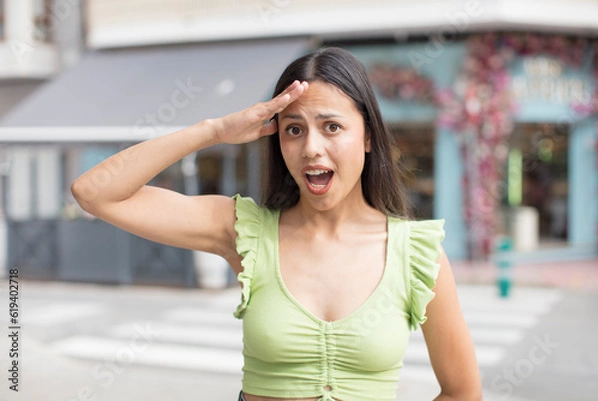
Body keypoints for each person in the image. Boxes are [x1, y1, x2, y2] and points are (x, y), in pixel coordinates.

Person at [72, 47, 482, 401]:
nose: (311, 149)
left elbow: (463, 391)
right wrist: (213, 130)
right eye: (293, 130)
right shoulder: (244, 232)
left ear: (369, 137)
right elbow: (95, 192)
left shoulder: (417, 252)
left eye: (332, 127)